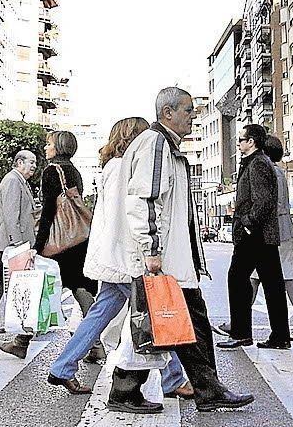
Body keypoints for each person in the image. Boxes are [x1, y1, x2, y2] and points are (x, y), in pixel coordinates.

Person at [58, 89, 253, 413]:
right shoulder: (156, 145)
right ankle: (143, 389)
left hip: (168, 257)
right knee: (166, 323)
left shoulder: (164, 146)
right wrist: (150, 250)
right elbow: (143, 200)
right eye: (188, 111)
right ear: (168, 113)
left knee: (173, 324)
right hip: (160, 258)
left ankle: (196, 388)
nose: (193, 116)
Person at [46, 116, 189, 401]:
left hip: (111, 254)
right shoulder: (128, 168)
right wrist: (149, 250)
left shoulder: (111, 167)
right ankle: (173, 378)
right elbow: (133, 213)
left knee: (100, 315)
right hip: (127, 256)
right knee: (154, 315)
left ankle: (62, 367)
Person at [0, 130, 98, 359]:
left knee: (37, 288)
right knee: (80, 287)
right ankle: (95, 343)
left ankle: (21, 342)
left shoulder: (52, 171)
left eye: (49, 144)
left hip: (58, 243)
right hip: (78, 240)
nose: (46, 148)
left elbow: (49, 212)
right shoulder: (74, 171)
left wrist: (37, 245)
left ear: (59, 146)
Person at [218, 123, 290, 350]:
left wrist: (247, 224)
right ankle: (280, 336)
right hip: (261, 236)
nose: (238, 143)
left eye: (241, 140)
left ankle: (241, 333)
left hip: (255, 236)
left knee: (237, 279)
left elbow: (264, 200)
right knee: (272, 285)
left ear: (252, 142)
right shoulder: (255, 162)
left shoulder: (258, 163)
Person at [248, 136, 293, 341]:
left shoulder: (269, 172)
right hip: (284, 230)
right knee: (285, 279)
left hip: (273, 232)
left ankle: (237, 322)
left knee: (254, 278)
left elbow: (269, 205)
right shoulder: (279, 172)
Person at [0, 150, 38, 333]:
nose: (34, 166)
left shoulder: (20, 181)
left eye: (35, 162)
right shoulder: (13, 180)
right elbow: (12, 215)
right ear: (19, 162)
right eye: (31, 162)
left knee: (1, 281)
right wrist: (17, 242)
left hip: (10, 241)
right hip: (8, 242)